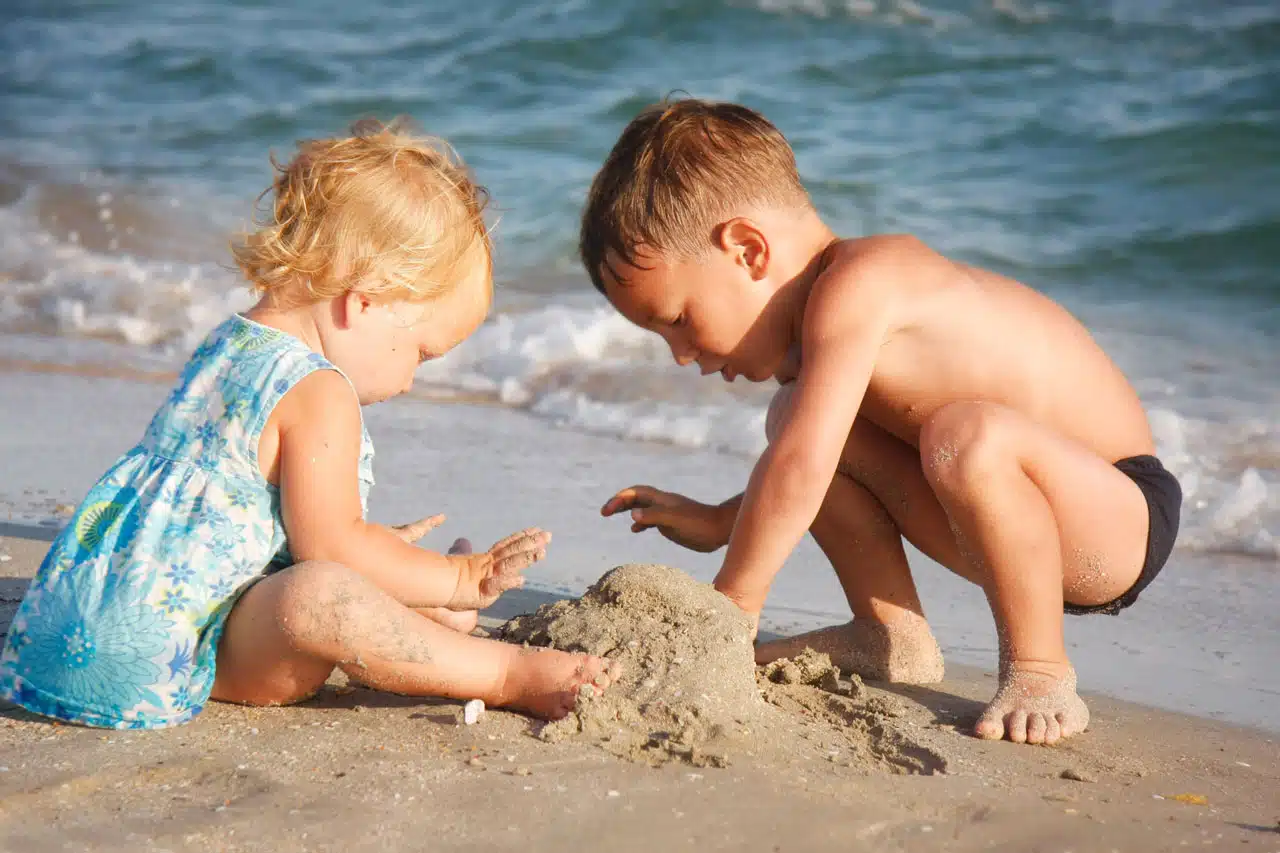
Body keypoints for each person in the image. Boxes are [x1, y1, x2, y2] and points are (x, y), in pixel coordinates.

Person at [585, 99, 1179, 746]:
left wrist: (733, 606)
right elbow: (806, 463)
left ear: (748, 250)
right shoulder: (815, 341)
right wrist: (718, 521)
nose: (679, 354)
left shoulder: (860, 286)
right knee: (795, 416)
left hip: (1115, 514)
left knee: (965, 435)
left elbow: (802, 467)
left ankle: (1039, 667)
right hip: (1005, 528)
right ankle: (889, 634)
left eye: (676, 319)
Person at [0, 118, 617, 730]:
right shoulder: (319, 389)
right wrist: (462, 578)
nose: (411, 380)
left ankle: (427, 607)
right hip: (188, 656)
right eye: (423, 353)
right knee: (323, 596)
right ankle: (505, 673)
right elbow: (327, 551)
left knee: (350, 573)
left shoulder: (227, 346)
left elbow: (225, 516)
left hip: (74, 636)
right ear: (366, 300)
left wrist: (379, 551)